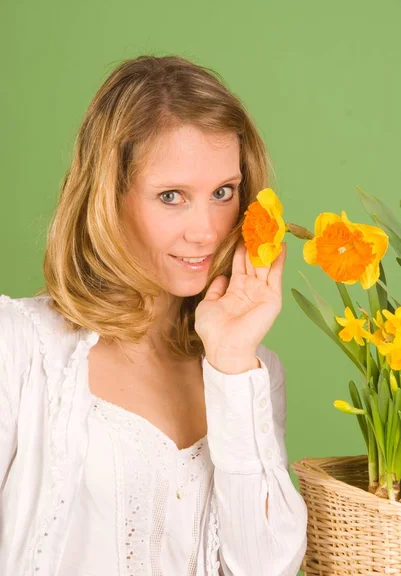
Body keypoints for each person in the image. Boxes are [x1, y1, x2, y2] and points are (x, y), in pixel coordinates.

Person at [0, 55, 307, 575]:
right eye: (172, 197)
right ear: (108, 197)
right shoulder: (22, 348)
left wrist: (232, 358)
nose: (206, 231)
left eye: (223, 193)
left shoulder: (252, 374)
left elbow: (265, 569)